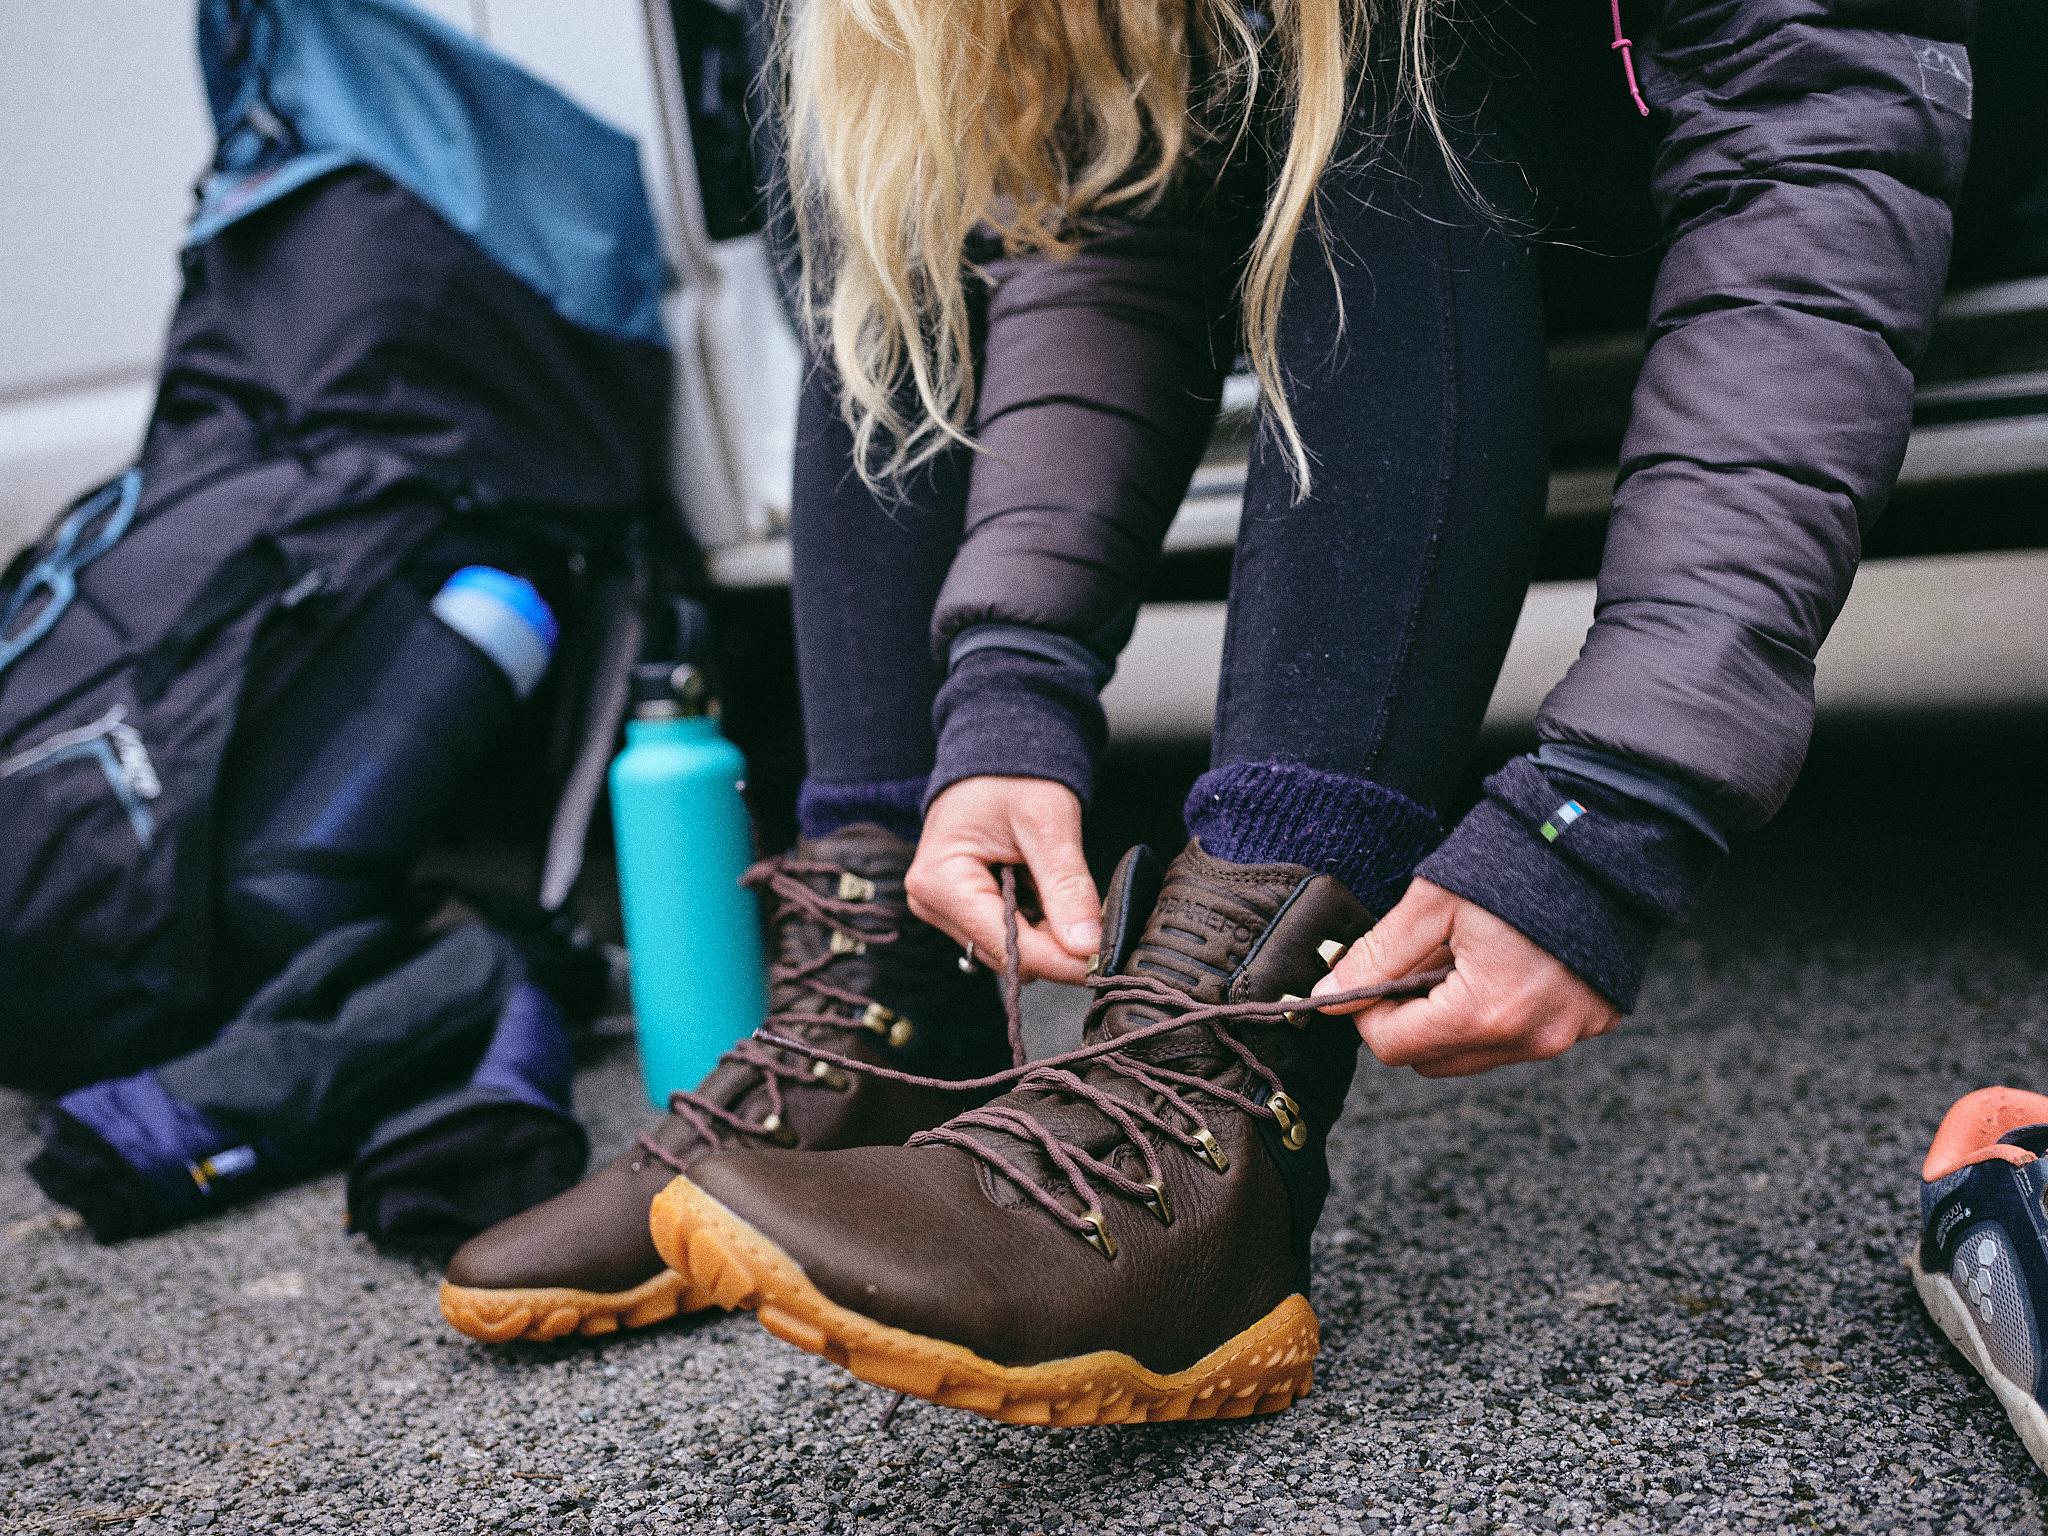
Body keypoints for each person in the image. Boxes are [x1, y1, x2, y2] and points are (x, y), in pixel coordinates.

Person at [447, 0, 1973, 1426]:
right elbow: (1106, 223)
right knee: (878, 148)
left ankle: (1212, 1105)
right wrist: (1004, 699)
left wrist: (1616, 801)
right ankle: (877, 999)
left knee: (1384, 54)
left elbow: (1817, 131)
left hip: (1863, 89)